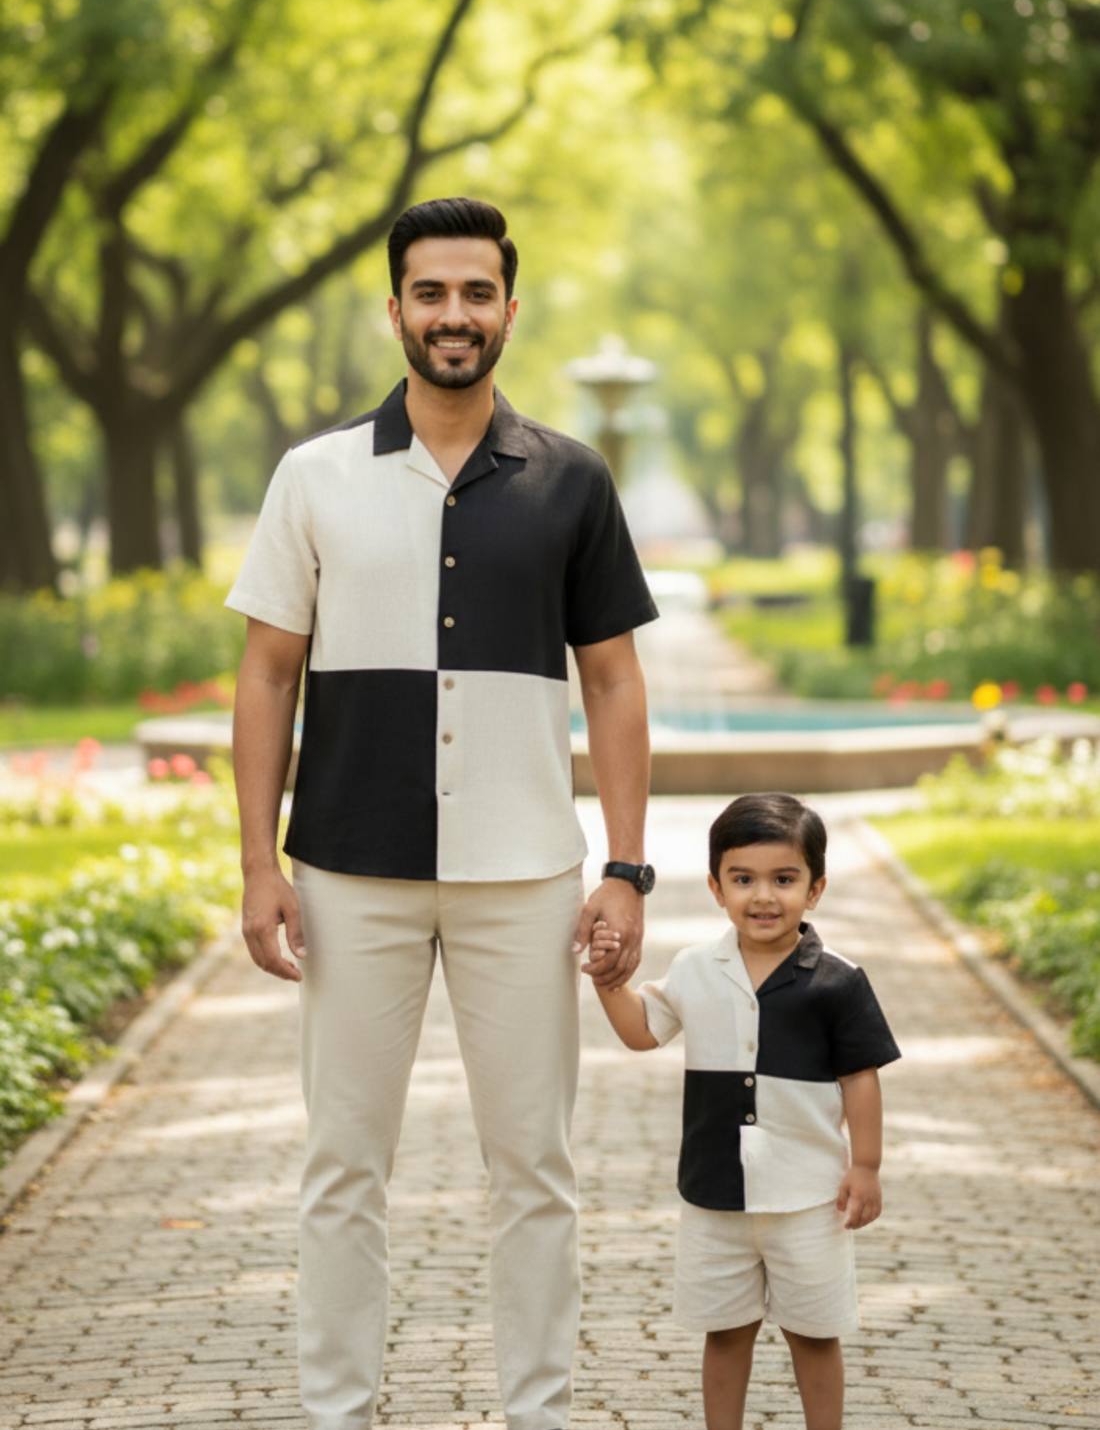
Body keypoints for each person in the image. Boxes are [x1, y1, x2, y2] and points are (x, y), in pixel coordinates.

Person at [226, 195, 659, 1430]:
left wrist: (625, 866)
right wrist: (258, 866)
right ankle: (337, 1414)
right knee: (341, 1170)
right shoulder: (312, 476)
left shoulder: (573, 479)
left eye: (476, 293)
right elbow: (266, 673)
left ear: (509, 311)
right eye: (431, 292)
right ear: (395, 310)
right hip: (347, 873)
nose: (453, 315)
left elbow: (615, 679)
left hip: (522, 871)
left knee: (536, 1172)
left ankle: (540, 1413)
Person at [585, 792, 900, 1430]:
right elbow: (643, 1032)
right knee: (725, 1331)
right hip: (714, 1196)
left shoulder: (838, 981)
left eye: (784, 879)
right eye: (744, 879)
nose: (764, 896)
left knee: (813, 1334)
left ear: (815, 890)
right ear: (715, 886)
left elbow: (860, 1077)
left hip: (808, 1197)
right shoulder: (696, 969)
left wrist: (864, 1166)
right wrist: (607, 982)